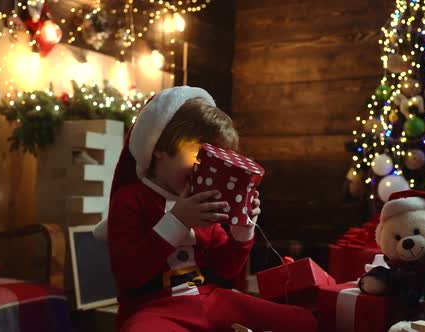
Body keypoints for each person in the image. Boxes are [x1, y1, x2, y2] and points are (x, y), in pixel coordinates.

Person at [104, 86, 318, 331]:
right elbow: (129, 274)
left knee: (303, 321)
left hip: (210, 298)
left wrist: (241, 231)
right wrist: (178, 221)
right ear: (159, 149)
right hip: (153, 307)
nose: (204, 168)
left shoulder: (203, 199)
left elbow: (225, 269)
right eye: (198, 154)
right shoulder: (130, 200)